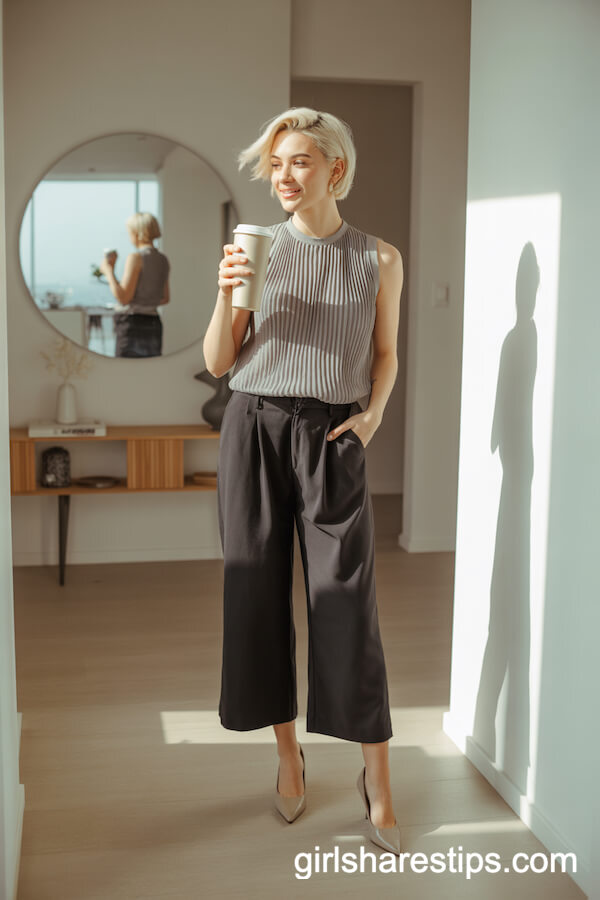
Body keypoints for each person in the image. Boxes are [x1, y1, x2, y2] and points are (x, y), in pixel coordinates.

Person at [203, 107, 404, 854]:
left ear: (335, 169)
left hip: (332, 434)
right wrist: (226, 291)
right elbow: (220, 361)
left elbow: (384, 353)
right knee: (255, 593)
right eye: (277, 163)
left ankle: (378, 781)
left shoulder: (379, 259)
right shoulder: (256, 249)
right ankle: (289, 758)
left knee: (347, 599)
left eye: (300, 162)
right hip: (253, 425)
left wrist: (373, 417)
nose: (284, 177)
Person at [100, 212, 170, 358]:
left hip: (132, 325)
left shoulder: (136, 258)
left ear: (137, 233)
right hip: (154, 324)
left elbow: (123, 298)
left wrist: (108, 271)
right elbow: (165, 298)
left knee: (126, 370)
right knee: (150, 369)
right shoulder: (163, 259)